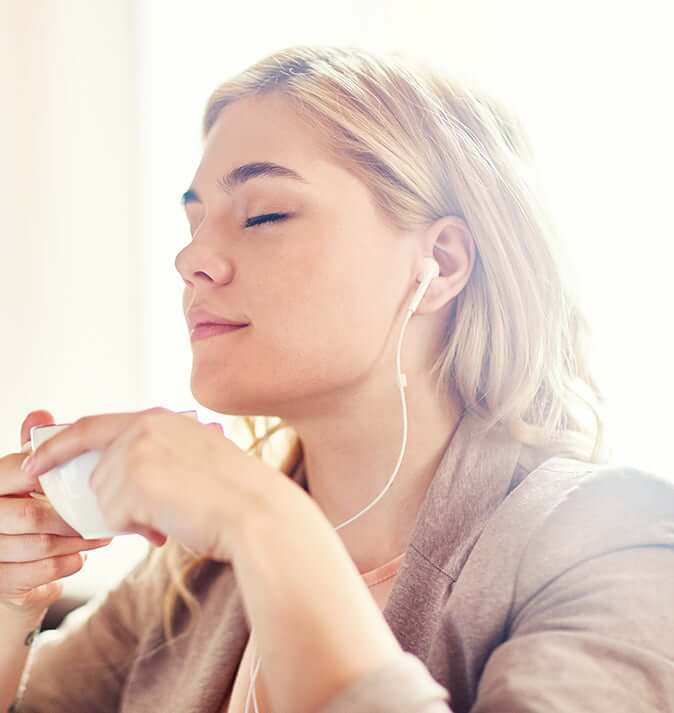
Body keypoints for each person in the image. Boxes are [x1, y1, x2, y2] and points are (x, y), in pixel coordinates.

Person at [1, 45, 673, 713]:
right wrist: (11, 603)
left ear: (439, 263)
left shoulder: (617, 540)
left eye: (264, 215)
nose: (191, 257)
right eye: (194, 220)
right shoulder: (188, 576)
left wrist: (263, 520)